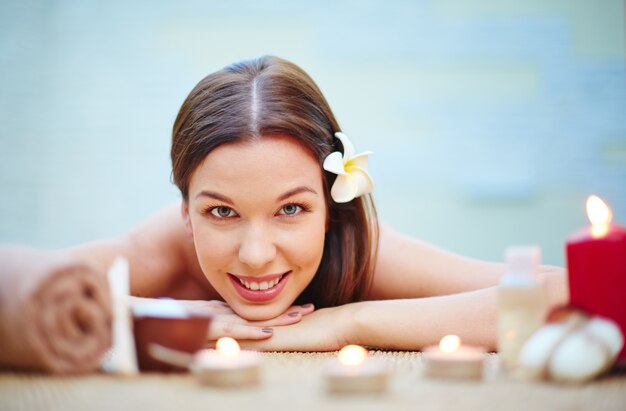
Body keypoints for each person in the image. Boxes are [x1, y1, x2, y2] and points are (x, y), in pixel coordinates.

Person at [23, 56, 570, 351]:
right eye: (221, 211)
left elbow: (560, 293)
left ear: (332, 206)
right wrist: (167, 318)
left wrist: (344, 326)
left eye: (290, 209)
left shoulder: (355, 246)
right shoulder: (155, 254)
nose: (257, 255)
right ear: (184, 209)